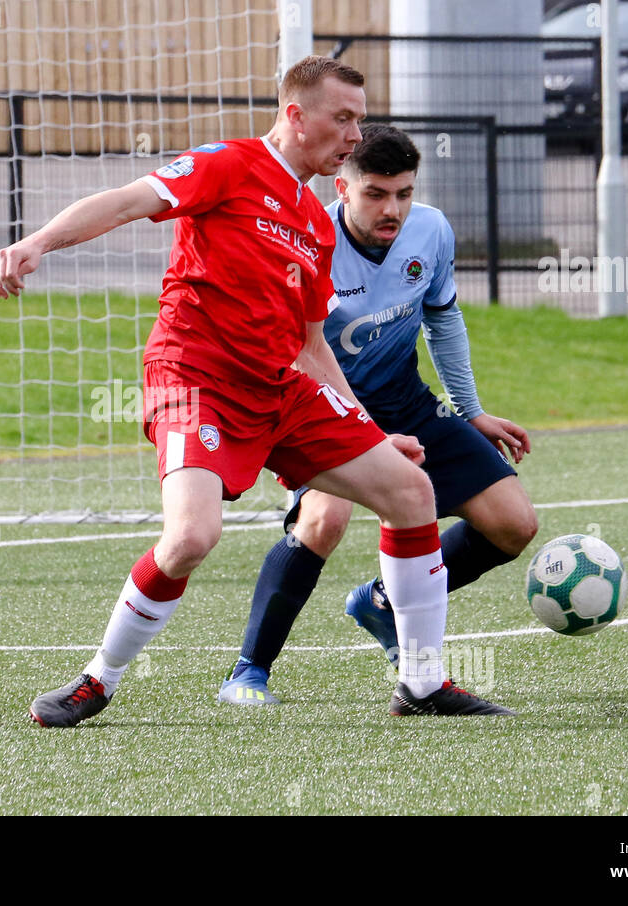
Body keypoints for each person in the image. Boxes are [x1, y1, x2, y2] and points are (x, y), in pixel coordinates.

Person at [0, 57, 514, 726]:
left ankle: (421, 682)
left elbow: (314, 347)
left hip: (280, 387)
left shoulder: (316, 221)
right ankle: (98, 680)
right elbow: (127, 200)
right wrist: (36, 244)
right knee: (191, 537)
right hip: (195, 377)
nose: (355, 136)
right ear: (296, 116)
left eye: (359, 118)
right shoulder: (227, 165)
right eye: (343, 117)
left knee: (410, 493)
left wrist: (368, 430)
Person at [217, 124, 538, 706]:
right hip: (314, 406)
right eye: (376, 194)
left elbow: (443, 319)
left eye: (404, 193)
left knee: (513, 524)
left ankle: (382, 602)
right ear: (341, 188)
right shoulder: (302, 238)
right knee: (325, 520)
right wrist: (362, 431)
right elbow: (293, 349)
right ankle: (248, 671)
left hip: (405, 400)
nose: (392, 209)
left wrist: (471, 413)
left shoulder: (432, 230)